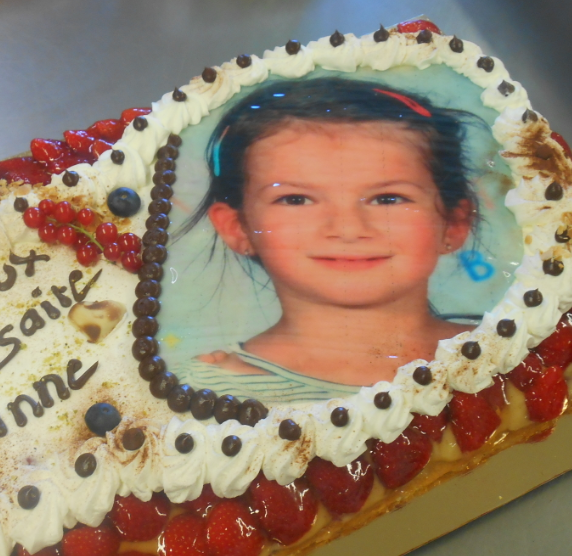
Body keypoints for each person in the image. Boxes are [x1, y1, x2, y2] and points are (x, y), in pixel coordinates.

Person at [173, 77, 482, 402]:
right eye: (296, 200)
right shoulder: (202, 394)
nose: (348, 229)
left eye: (388, 199)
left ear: (453, 223)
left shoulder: (513, 352)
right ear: (238, 228)